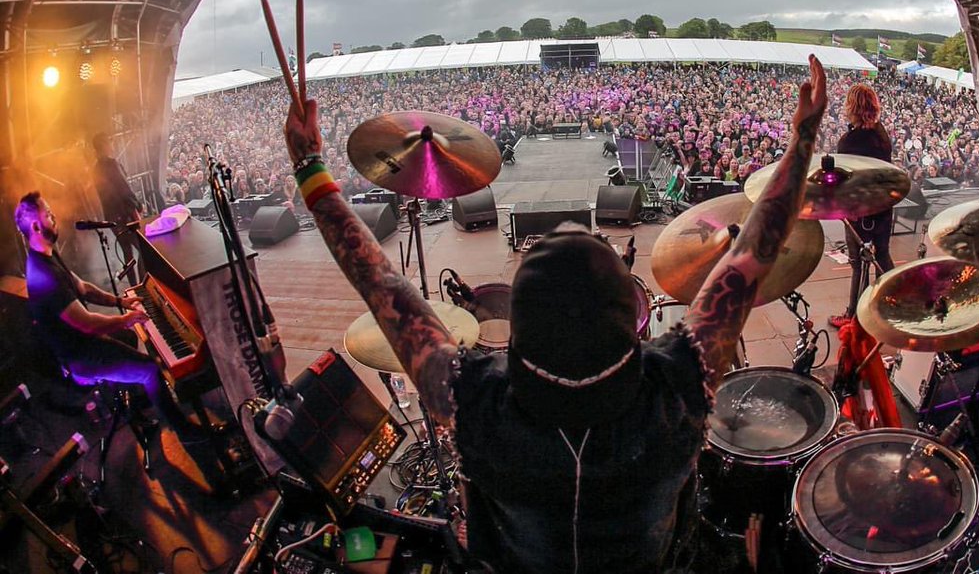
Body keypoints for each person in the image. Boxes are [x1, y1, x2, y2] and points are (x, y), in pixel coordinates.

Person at [283, 56, 828, 573]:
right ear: (630, 319)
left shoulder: (473, 401)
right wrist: (803, 139)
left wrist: (310, 166)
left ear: (519, 326)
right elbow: (754, 250)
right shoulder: (680, 383)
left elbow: (378, 280)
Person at [14, 192, 204, 444]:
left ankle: (140, 405)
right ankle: (185, 433)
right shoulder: (43, 276)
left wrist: (120, 302)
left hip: (82, 343)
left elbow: (83, 288)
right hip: (80, 357)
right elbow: (88, 324)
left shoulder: (48, 256)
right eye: (48, 214)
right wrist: (129, 318)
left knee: (127, 337)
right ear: (36, 226)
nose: (54, 216)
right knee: (149, 369)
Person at [830, 83, 896, 328]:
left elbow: (845, 182)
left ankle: (853, 316)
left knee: (858, 262)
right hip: (883, 206)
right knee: (883, 254)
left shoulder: (850, 141)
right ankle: (884, 307)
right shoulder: (881, 134)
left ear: (852, 108)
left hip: (858, 211)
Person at [92, 133, 143, 286]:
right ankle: (144, 285)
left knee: (127, 254)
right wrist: (137, 206)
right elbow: (124, 189)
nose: (112, 145)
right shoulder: (112, 164)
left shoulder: (95, 169)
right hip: (125, 215)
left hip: (113, 218)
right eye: (110, 142)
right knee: (143, 251)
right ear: (106, 145)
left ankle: (135, 286)